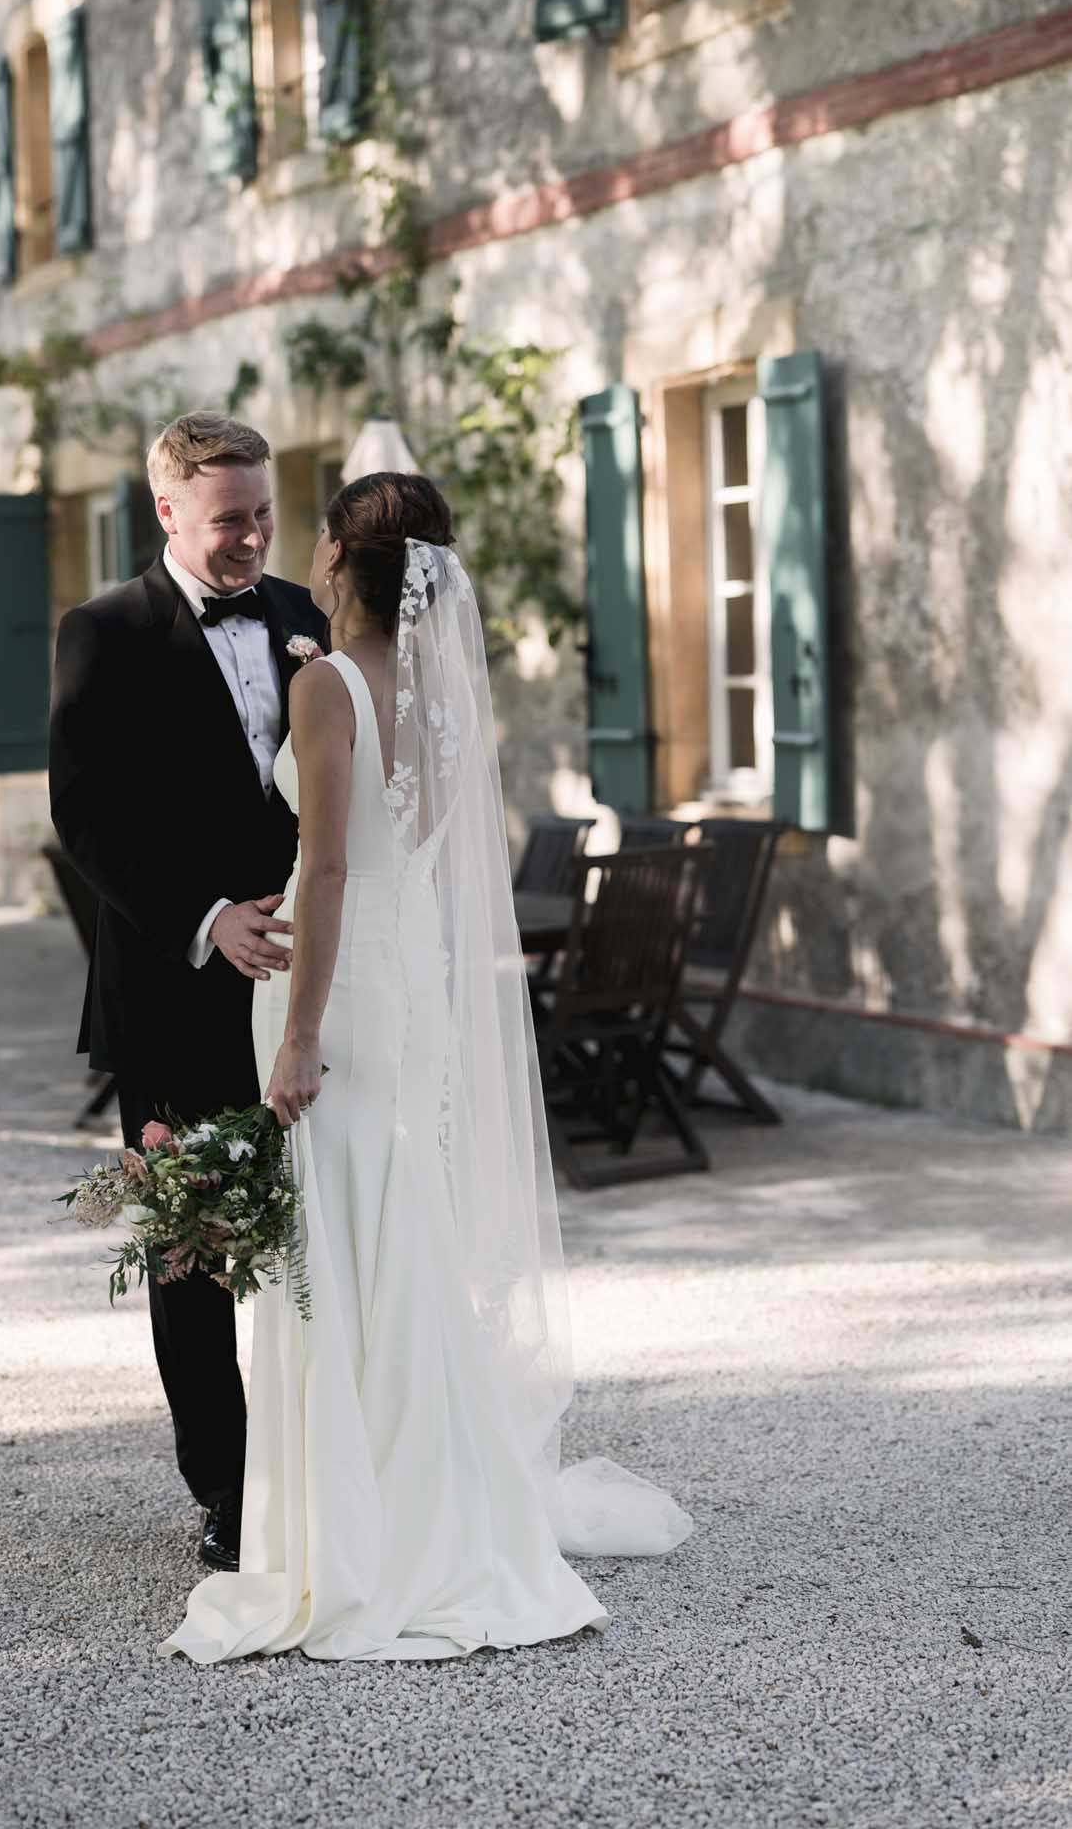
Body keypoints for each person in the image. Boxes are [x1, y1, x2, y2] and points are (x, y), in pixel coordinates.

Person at [159, 471, 693, 1664]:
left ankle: (345, 1534)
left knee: (335, 1241)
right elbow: (417, 847)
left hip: (333, 985)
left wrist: (296, 1032)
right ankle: (427, 1501)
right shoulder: (440, 697)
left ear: (344, 561)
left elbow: (332, 868)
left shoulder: (323, 685)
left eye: (318, 535)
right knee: (395, 1230)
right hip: (408, 987)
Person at [48, 412, 326, 1573]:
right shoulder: (103, 631)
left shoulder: (305, 616)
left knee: (329, 1233)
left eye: (263, 513)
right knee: (194, 1251)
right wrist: (209, 919)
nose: (252, 537)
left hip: (304, 989)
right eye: (228, 519)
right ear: (166, 510)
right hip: (174, 990)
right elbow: (85, 813)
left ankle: (329, 1468)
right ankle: (226, 1487)